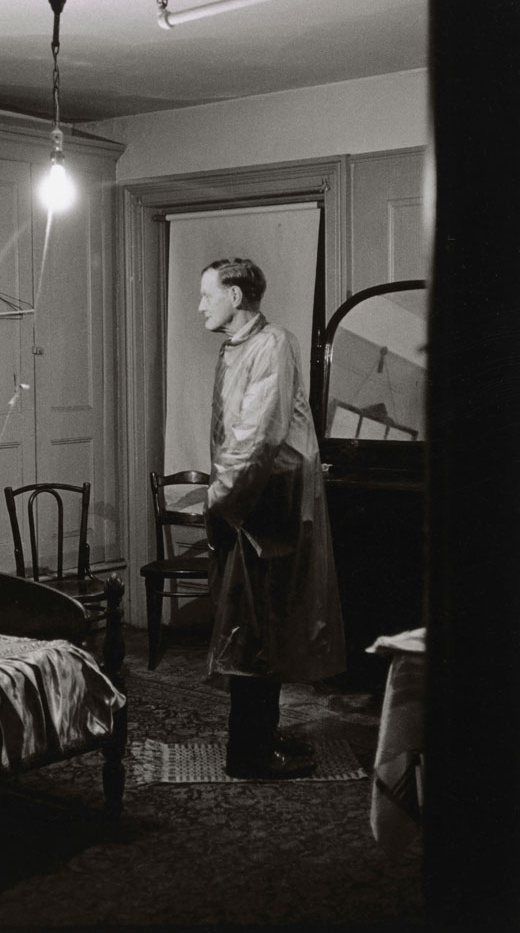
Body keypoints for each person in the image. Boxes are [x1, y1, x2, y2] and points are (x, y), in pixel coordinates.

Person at [199, 257, 346, 779]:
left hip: (265, 510)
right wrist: (223, 501)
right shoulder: (239, 347)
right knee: (251, 630)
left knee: (261, 631)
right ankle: (253, 748)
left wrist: (220, 501)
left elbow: (257, 436)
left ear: (236, 297)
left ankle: (255, 749)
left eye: (208, 296)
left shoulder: (273, 344)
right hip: (249, 507)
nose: (201, 307)